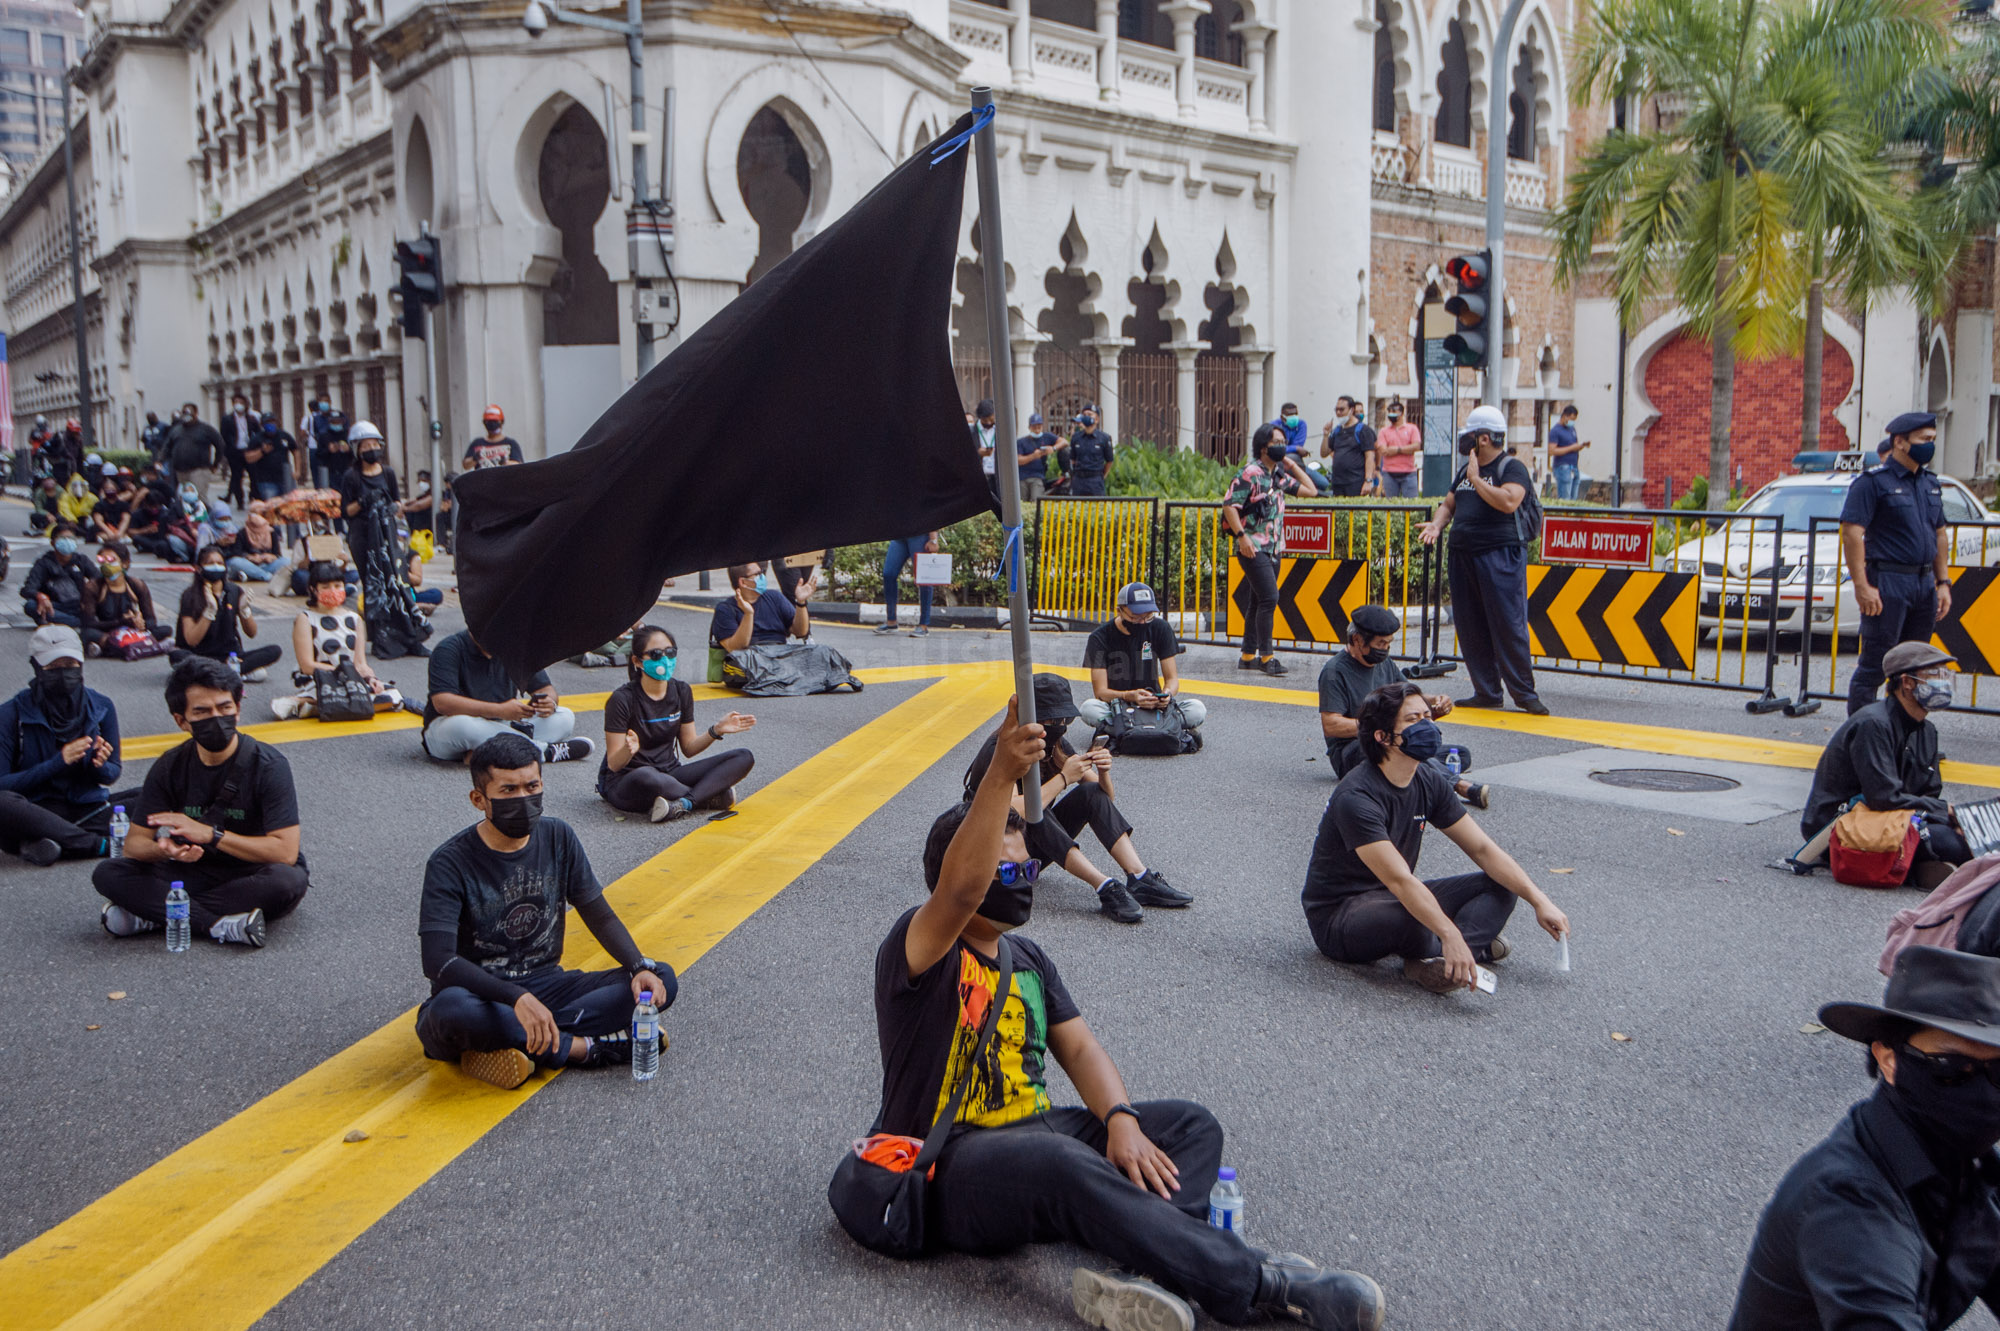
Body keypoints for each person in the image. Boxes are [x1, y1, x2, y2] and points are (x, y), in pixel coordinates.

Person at [861, 695, 1383, 1329]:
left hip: (1036, 1129)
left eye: (1029, 865)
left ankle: (1142, 1272)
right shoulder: (919, 950)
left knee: (1187, 1128)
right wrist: (1000, 775)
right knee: (1061, 1166)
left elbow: (1079, 1049)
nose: (1024, 878)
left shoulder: (1027, 958)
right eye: (1007, 868)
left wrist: (1121, 1120)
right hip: (950, 1162)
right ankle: (1255, 1284)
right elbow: (961, 889)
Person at [1727, 945, 2000, 1330]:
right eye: (1952, 1068)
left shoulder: (1976, 1168)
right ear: (1889, 1059)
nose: (1985, 1094)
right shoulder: (1846, 1202)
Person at [413, 732, 675, 1088]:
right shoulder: (449, 863)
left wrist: (637, 966)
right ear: (479, 799)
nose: (523, 798)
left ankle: (517, 1042)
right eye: (508, 790)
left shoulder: (558, 836)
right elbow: (438, 962)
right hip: (482, 996)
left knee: (661, 979)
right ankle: (583, 1049)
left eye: (531, 786)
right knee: (451, 1012)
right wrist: (516, 998)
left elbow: (598, 912)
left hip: (549, 986)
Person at [1304, 682, 1568, 993]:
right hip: (1342, 916)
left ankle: (1444, 962)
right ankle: (1456, 949)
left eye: (1428, 717)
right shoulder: (1357, 796)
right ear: (1383, 737)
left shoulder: (1427, 778)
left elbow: (1483, 849)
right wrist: (1449, 933)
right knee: (1414, 914)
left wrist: (1540, 901)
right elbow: (1400, 881)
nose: (1427, 726)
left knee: (1503, 883)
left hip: (1394, 897)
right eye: (1413, 720)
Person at [92, 656, 309, 947]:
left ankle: (156, 915)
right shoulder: (170, 766)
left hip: (251, 870)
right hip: (191, 869)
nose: (217, 718)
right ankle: (218, 926)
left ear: (238, 710)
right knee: (108, 873)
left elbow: (284, 851)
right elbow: (134, 845)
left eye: (225, 707)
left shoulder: (268, 765)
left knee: (287, 881)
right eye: (202, 712)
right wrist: (165, 850)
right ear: (181, 720)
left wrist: (210, 834)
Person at [963, 673, 1193, 925]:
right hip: (995, 852)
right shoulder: (1002, 749)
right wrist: (1063, 778)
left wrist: (1103, 772)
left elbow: (1103, 799)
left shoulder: (1056, 744)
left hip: (1032, 846)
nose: (1060, 725)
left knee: (1087, 793)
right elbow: (1013, 813)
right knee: (1036, 811)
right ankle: (1104, 885)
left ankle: (1140, 877)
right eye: (1053, 719)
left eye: (1065, 719)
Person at [1801, 640, 1971, 888]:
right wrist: (1942, 813)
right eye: (1935, 675)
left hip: (1895, 817)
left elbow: (1928, 793)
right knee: (1954, 843)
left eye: (1946, 674)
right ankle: (1917, 865)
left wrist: (1948, 818)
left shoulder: (1927, 731)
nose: (1943, 681)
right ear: (1907, 682)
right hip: (1843, 824)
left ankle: (1917, 864)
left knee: (1972, 834)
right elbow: (1883, 796)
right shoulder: (1873, 724)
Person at [1419, 403, 1548, 715]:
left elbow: (1509, 501)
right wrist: (1437, 524)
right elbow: (1449, 504)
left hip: (1499, 554)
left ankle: (1524, 693)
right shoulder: (1465, 471)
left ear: (1485, 438)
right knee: (1470, 624)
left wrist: (1478, 481)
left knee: (1508, 622)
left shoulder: (1511, 468)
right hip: (1463, 554)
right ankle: (1486, 691)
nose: (1466, 443)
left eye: (1470, 437)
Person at [1841, 411, 1952, 716]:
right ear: (1901, 442)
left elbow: (1939, 534)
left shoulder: (1929, 483)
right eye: (1924, 440)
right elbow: (1852, 534)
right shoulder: (1873, 483)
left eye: (1932, 440)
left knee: (1915, 667)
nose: (1930, 446)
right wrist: (1862, 586)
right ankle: (1861, 737)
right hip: (1888, 582)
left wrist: (1943, 583)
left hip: (1923, 584)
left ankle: (1906, 737)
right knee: (1875, 665)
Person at [1316, 605, 1487, 803]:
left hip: (1390, 740)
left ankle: (1421, 774)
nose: (1385, 649)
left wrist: (1433, 703)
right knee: (1403, 749)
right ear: (1357, 640)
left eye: (1389, 643)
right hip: (1355, 750)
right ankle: (1458, 786)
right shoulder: (1334, 672)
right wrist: (1377, 726)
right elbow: (1331, 725)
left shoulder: (1384, 664)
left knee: (1458, 755)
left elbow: (1408, 698)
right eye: (1380, 643)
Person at [599, 626, 756, 822]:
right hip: (628, 781)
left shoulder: (681, 691)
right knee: (648, 776)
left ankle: (685, 804)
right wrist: (628, 750)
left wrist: (716, 730)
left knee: (743, 756)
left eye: (670, 652)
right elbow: (614, 764)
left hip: (670, 774)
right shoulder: (622, 699)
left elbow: (689, 748)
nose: (665, 659)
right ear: (638, 661)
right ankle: (709, 796)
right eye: (656, 654)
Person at [0, 626, 123, 866]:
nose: (63, 673)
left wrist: (99, 765)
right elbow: (2, 782)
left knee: (153, 795)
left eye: (70, 664)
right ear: (36, 667)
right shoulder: (10, 713)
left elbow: (112, 773)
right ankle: (98, 845)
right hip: (33, 812)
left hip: (88, 808)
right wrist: (59, 762)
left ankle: (47, 843)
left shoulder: (101, 706)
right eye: (53, 667)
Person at [1222, 423, 1319, 677]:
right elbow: (1229, 505)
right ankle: (1267, 657)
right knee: (1269, 598)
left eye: (1283, 442)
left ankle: (1247, 655)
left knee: (1258, 599)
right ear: (1263, 446)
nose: (1281, 445)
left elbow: (1311, 490)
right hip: (1253, 547)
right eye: (1276, 442)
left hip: (1274, 547)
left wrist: (1291, 464)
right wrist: (1242, 538)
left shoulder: (1277, 476)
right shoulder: (1250, 473)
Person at [422, 627, 591, 765]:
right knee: (462, 726)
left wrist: (549, 703)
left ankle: (488, 752)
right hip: (448, 729)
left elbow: (546, 689)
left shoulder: (512, 648)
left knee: (564, 716)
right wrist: (499, 710)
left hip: (502, 725)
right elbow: (442, 703)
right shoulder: (449, 648)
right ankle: (544, 752)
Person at [271, 561, 413, 719]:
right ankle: (306, 701)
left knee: (393, 696)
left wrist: (372, 679)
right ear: (313, 590)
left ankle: (313, 706)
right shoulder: (305, 619)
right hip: (320, 678)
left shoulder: (354, 619)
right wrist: (344, 672)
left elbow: (360, 663)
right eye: (325, 587)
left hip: (352, 678)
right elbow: (307, 666)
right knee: (344, 695)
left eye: (337, 586)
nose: (333, 591)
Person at [339, 421, 431, 659]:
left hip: (387, 533)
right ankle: (381, 639)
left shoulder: (388, 472)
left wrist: (391, 507)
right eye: (365, 445)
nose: (371, 449)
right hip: (363, 536)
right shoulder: (351, 476)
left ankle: (411, 636)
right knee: (375, 586)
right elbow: (345, 511)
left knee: (399, 583)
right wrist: (363, 501)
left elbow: (398, 504)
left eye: (374, 444)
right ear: (357, 450)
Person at [1079, 581, 1207, 734]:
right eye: (1135, 617)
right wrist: (1129, 696)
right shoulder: (1099, 637)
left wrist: (1166, 694)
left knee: (1197, 709)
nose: (1142, 622)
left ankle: (1123, 730)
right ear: (1119, 611)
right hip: (1119, 707)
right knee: (1089, 709)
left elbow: (1172, 680)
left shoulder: (1160, 628)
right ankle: (1163, 728)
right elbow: (1100, 692)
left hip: (1154, 706)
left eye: (1148, 616)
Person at [172, 545, 282, 680]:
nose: (216, 567)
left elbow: (251, 633)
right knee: (177, 656)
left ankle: (217, 673)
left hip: (230, 656)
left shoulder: (233, 591)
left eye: (219, 563)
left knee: (274, 650)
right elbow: (191, 640)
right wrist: (209, 612)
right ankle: (232, 672)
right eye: (210, 563)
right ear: (199, 568)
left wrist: (245, 611)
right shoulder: (190, 595)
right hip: (200, 656)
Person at [80, 541, 168, 656]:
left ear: (125, 563)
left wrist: (140, 623)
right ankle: (143, 646)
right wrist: (121, 622)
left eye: (111, 560)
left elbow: (151, 620)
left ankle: (113, 650)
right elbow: (89, 623)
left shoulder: (137, 585)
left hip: (131, 632)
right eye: (102, 560)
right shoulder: (93, 587)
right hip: (107, 632)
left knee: (166, 630)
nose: (106, 564)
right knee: (88, 634)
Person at [711, 560, 814, 650]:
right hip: (748, 665)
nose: (762, 577)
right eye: (757, 574)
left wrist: (801, 602)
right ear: (743, 582)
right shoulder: (725, 610)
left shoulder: (774, 597)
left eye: (762, 572)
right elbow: (736, 648)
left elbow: (800, 631)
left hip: (779, 659)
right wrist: (748, 614)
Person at [21, 523, 93, 627]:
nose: (67, 541)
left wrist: (89, 598)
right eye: (62, 538)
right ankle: (76, 622)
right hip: (54, 605)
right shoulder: (43, 563)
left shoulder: (81, 560)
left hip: (79, 605)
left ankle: (62, 621)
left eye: (70, 538)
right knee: (30, 606)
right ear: (53, 542)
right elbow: (28, 588)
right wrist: (41, 596)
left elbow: (98, 579)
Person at [873, 533, 938, 638]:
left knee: (924, 578)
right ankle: (891, 622)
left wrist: (933, 539)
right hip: (900, 535)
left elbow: (933, 516)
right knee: (888, 574)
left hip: (920, 535)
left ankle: (923, 626)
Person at [1318, 395, 1378, 498]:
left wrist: (1368, 480)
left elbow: (1369, 456)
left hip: (1356, 482)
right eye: (1336, 410)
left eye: (1342, 410)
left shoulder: (1363, 430)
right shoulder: (1337, 431)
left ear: (1351, 410)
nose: (1338, 413)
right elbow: (1324, 453)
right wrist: (1325, 435)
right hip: (1338, 482)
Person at [164, 402, 222, 500]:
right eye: (185, 413)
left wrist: (215, 463)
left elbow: (220, 444)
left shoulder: (206, 429)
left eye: (190, 413)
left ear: (196, 414)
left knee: (198, 497)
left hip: (199, 470)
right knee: (184, 497)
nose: (187, 416)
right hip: (181, 471)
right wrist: (162, 460)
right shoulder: (176, 430)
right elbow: (167, 445)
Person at [227, 501, 292, 585]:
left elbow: (277, 554)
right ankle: (266, 576)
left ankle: (253, 575)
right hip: (249, 564)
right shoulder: (243, 532)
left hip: (267, 565)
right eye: (255, 514)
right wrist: (250, 557)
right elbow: (237, 552)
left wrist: (270, 557)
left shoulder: (271, 531)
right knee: (235, 562)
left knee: (287, 561)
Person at [1375, 400, 1422, 500]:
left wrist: (1397, 450)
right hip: (1389, 473)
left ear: (1402, 413)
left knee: (1412, 504)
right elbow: (1383, 450)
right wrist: (1406, 449)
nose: (1391, 414)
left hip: (1409, 472)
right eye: (1389, 411)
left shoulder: (1412, 428)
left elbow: (1416, 446)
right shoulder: (1384, 431)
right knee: (1390, 505)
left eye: (1394, 411)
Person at [1067, 404, 1114, 496]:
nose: (1086, 417)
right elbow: (1072, 459)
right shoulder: (1076, 438)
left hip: (1095, 480)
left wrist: (1101, 477)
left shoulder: (1104, 438)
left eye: (1090, 414)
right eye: (1084, 415)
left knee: (1097, 508)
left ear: (1097, 419)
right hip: (1079, 480)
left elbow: (1109, 461)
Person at [245, 417, 297, 502]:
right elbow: (248, 458)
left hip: (285, 478)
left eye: (272, 422)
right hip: (266, 481)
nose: (271, 425)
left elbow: (295, 450)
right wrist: (262, 451)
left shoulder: (284, 436)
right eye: (267, 422)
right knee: (271, 505)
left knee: (290, 503)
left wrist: (297, 470)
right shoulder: (257, 438)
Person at [219, 393, 255, 505]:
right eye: (236, 402)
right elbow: (224, 435)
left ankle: (252, 496)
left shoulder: (251, 418)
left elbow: (257, 432)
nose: (239, 405)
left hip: (248, 450)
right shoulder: (227, 419)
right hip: (235, 452)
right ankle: (240, 500)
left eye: (241, 403)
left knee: (254, 475)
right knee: (237, 476)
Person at [463, 405, 525, 470]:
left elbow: (519, 465)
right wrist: (475, 458)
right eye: (489, 422)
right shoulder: (477, 443)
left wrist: (505, 462)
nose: (492, 424)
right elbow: (466, 465)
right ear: (484, 423)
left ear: (501, 422)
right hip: (483, 479)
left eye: (495, 421)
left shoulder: (511, 443)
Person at [1017, 411, 1057, 503]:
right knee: (1021, 503)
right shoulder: (1021, 442)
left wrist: (1053, 448)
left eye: (1039, 427)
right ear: (1029, 427)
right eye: (1034, 427)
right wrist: (1033, 456)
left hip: (1038, 476)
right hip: (1022, 477)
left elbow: (1063, 442)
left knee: (1036, 502)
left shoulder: (1047, 437)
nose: (1037, 430)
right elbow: (1018, 460)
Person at [1547, 405, 1585, 502]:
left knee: (1574, 499)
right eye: (1571, 419)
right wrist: (1572, 448)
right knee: (1565, 498)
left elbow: (1573, 445)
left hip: (1574, 466)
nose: (1572, 422)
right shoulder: (1555, 431)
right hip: (1563, 467)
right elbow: (1552, 451)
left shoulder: (1572, 429)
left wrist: (1579, 447)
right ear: (1565, 416)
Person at [970, 398, 999, 498]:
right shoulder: (971, 431)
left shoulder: (1000, 430)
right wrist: (977, 453)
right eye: (985, 420)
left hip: (997, 478)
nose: (988, 423)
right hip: (979, 478)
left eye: (991, 419)